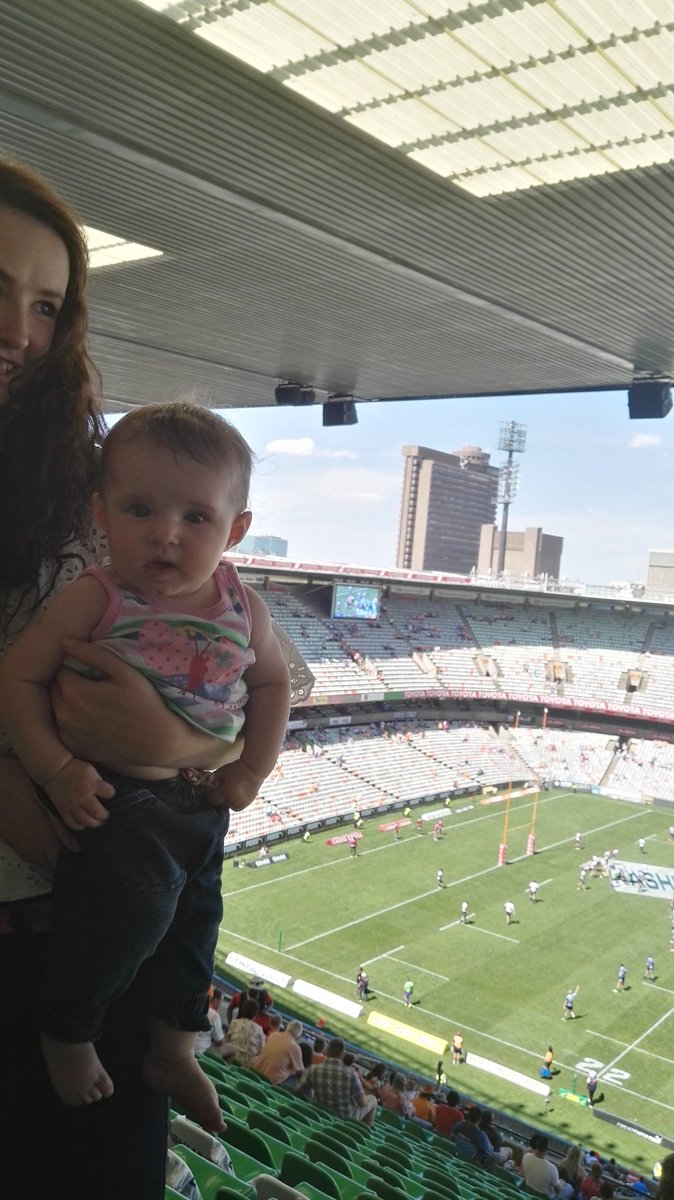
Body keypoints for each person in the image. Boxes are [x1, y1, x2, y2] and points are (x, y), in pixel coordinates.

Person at [0, 159, 230, 1200]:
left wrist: (166, 736)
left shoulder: (98, 479)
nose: (19, 333)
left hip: (99, 949)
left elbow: (253, 703)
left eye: (46, 304)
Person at [0, 401, 292, 1129]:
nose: (165, 534)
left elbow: (274, 685)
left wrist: (251, 770)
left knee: (197, 924)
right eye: (139, 509)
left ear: (236, 530)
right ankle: (68, 1026)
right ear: (101, 514)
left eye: (196, 517)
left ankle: (174, 1046)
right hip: (114, 796)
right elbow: (18, 679)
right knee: (136, 908)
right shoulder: (94, 597)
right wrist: (58, 768)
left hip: (200, 802)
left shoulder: (243, 606)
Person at [295, 1037, 377, 1126]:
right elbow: (362, 1103)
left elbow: (298, 1090)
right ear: (342, 1054)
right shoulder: (351, 1073)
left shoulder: (313, 1069)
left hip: (320, 1111)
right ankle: (363, 1134)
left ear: (327, 1051)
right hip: (345, 1118)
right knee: (373, 1099)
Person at [253, 1018, 304, 1085]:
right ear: (299, 1034)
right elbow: (301, 1073)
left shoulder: (274, 1035)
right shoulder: (295, 1047)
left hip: (256, 1070)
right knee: (296, 1076)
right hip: (272, 1080)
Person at [222, 997, 265, 1068]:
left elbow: (228, 1040)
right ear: (255, 1013)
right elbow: (261, 1050)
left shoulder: (235, 1023)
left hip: (231, 1058)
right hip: (247, 1065)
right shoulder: (259, 1029)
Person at [194, 988, 227, 1058]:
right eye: (221, 1001)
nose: (220, 1004)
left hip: (189, 1046)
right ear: (215, 1000)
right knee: (232, 1048)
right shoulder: (214, 1015)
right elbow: (220, 1041)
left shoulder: (196, 1006)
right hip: (201, 1052)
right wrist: (224, 1038)